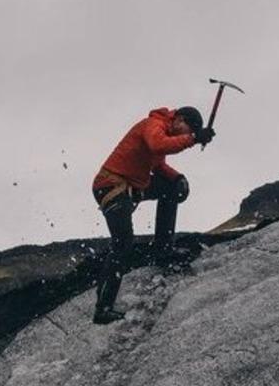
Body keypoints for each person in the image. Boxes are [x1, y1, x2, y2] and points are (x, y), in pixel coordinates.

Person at [90, 106, 215, 324]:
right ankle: (103, 308)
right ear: (179, 120)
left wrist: (178, 178)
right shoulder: (154, 125)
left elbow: (158, 165)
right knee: (123, 243)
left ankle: (163, 249)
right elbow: (157, 144)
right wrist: (194, 138)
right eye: (186, 130)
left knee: (172, 188)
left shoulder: (164, 130)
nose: (184, 135)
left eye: (188, 133)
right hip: (110, 186)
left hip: (131, 187)